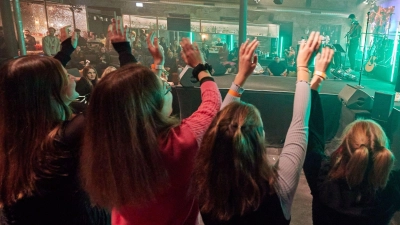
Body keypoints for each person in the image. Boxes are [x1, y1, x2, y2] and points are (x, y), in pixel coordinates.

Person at [80, 23, 222, 224]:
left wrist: (129, 53)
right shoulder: (180, 143)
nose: (167, 88)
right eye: (165, 89)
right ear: (153, 105)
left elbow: (130, 95)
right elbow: (212, 103)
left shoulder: (108, 145)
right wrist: (201, 68)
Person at [193, 32, 331, 224]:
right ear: (259, 140)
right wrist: (303, 67)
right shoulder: (279, 186)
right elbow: (300, 123)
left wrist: (240, 77)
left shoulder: (203, 187)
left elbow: (220, 127)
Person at [0, 32, 110, 225]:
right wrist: (124, 51)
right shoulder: (70, 136)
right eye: (66, 75)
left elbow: (28, 81)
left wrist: (65, 52)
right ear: (50, 91)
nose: (74, 78)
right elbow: (122, 102)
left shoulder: (17, 134)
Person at [303, 79, 400, 223]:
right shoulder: (392, 189)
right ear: (383, 151)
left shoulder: (321, 176)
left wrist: (313, 87)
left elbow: (311, 134)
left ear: (342, 148)